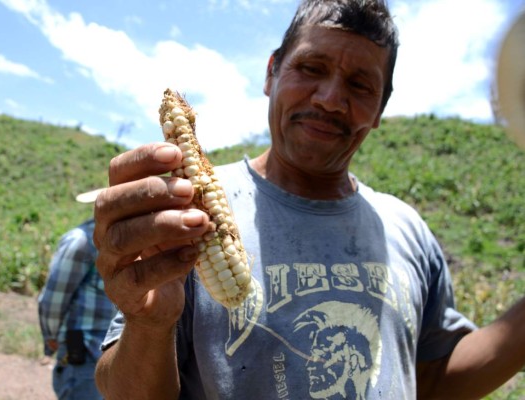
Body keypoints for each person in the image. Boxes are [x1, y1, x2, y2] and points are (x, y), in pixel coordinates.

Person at [92, 0, 525, 398]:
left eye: (360, 85)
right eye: (311, 68)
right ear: (271, 73)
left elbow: (430, 381)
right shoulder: (182, 217)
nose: (331, 99)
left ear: (379, 112)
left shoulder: (406, 227)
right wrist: (150, 324)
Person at [38, 190, 116, 400]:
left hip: (117, 356)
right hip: (83, 352)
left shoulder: (133, 242)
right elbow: (54, 299)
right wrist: (52, 337)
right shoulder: (82, 241)